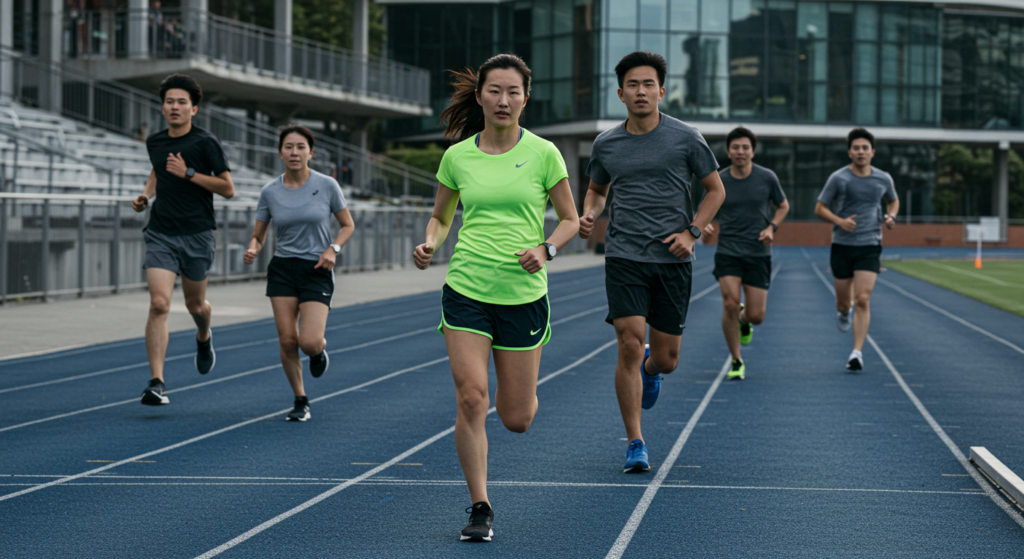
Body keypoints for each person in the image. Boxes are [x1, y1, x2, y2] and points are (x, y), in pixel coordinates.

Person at [413, 53, 579, 542]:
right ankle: (480, 505)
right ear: (480, 96)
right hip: (467, 287)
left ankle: (521, 395)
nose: (503, 100)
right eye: (494, 91)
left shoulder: (545, 153)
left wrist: (546, 249)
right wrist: (430, 243)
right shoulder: (457, 157)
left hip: (523, 294)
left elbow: (570, 220)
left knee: (517, 418)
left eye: (513, 92)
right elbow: (441, 217)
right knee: (470, 396)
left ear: (526, 98)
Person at [578, 51, 725, 474]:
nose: (640, 91)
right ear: (620, 93)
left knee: (667, 359)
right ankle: (635, 441)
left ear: (661, 91)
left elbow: (715, 191)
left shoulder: (687, 138)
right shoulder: (606, 143)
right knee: (627, 341)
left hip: (672, 258)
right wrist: (590, 213)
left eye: (648, 85)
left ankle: (651, 367)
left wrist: (691, 232)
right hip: (624, 254)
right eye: (632, 85)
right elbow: (597, 190)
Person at [131, 73, 234, 406]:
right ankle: (157, 382)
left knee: (195, 305)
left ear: (194, 109)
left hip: (197, 234)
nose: (174, 107)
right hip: (161, 232)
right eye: (169, 102)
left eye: (181, 102)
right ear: (162, 108)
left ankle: (203, 335)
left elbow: (228, 188)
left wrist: (188, 173)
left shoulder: (206, 143)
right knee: (159, 304)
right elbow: (158, 170)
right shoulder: (155, 142)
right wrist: (146, 196)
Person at [243, 125, 354, 421]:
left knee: (309, 342)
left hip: (317, 268)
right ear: (280, 153)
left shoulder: (327, 185)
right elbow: (258, 235)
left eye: (300, 147)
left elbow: (348, 225)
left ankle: (318, 352)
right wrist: (253, 248)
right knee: (288, 340)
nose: (294, 152)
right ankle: (300, 399)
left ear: (311, 153)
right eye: (289, 147)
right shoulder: (270, 191)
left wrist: (333, 249)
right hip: (283, 268)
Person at [703, 127, 789, 380]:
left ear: (753, 151)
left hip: (757, 252)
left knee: (757, 316)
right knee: (729, 302)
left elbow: (783, 205)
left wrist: (772, 228)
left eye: (745, 147)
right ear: (728, 151)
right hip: (728, 251)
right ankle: (736, 360)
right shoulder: (718, 180)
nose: (740, 152)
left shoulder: (767, 177)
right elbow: (705, 211)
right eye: (735, 147)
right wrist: (704, 226)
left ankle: (744, 319)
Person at [814, 128, 899, 371]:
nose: (861, 152)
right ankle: (844, 313)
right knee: (844, 303)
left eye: (865, 148)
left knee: (862, 299)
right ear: (849, 152)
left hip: (870, 244)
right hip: (842, 245)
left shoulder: (883, 178)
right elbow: (820, 208)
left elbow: (893, 200)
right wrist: (839, 221)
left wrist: (891, 216)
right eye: (856, 148)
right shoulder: (839, 178)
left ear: (872, 152)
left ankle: (856, 353)